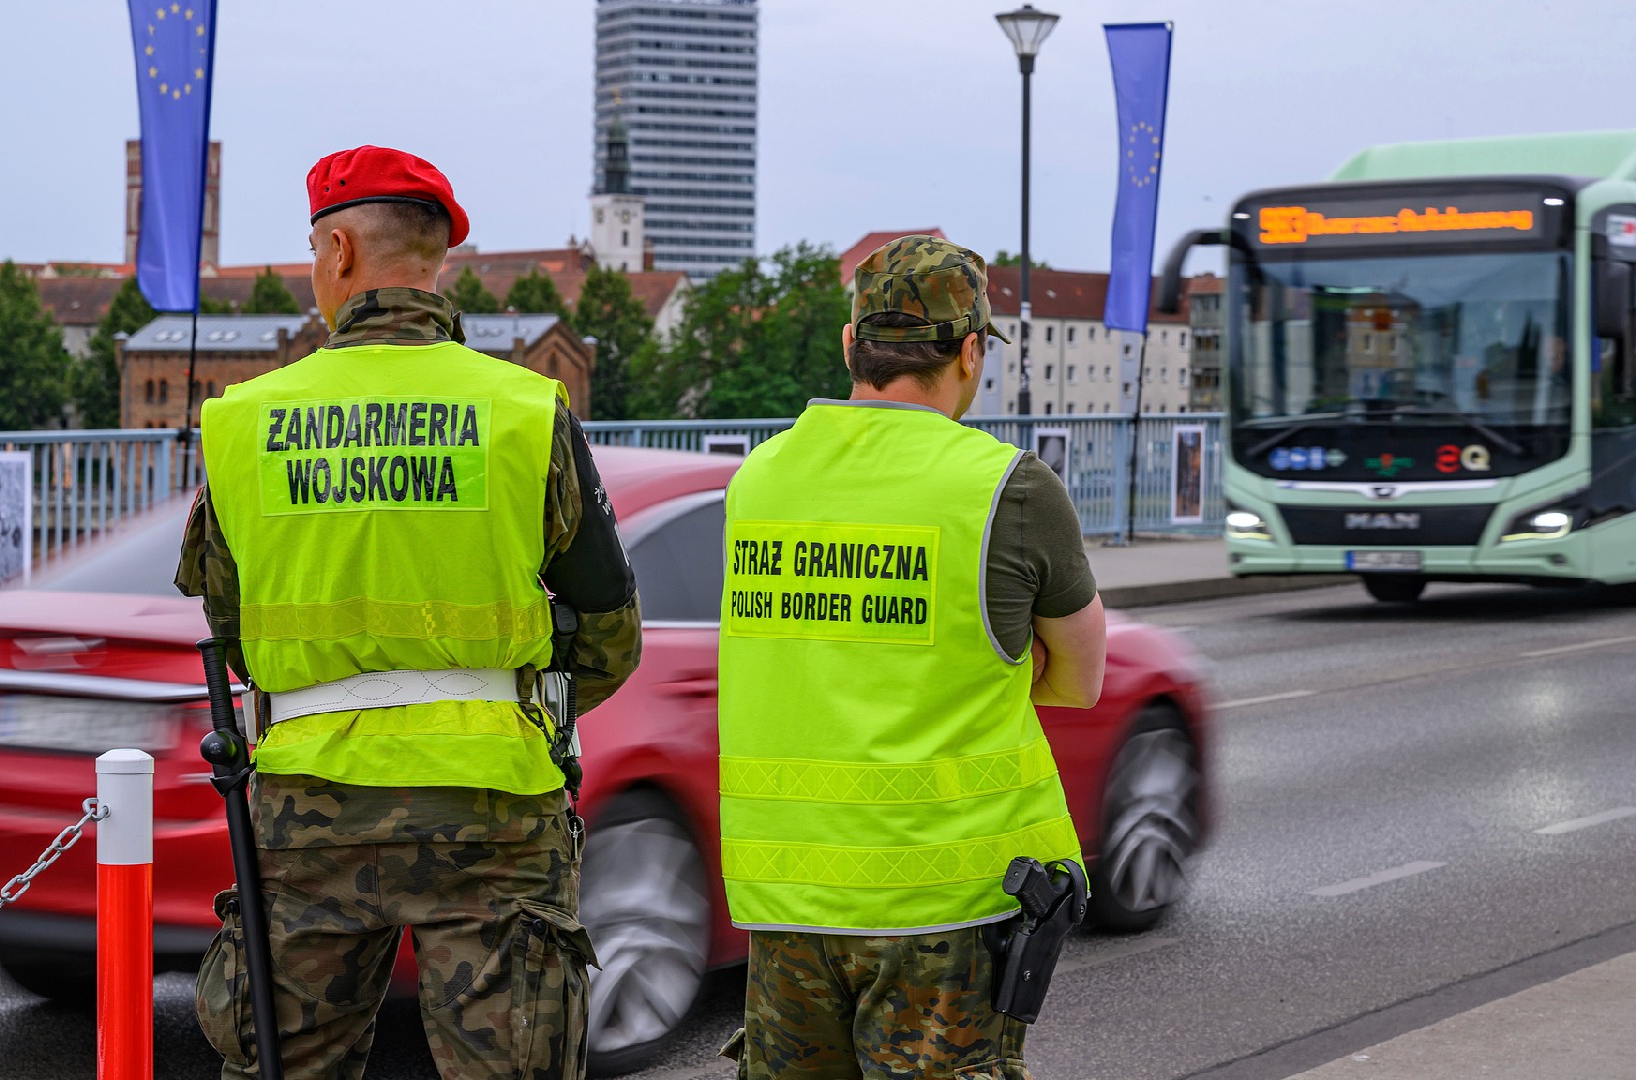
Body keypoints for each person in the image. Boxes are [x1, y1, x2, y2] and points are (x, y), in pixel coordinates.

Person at [177, 145, 641, 1080]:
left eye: (315, 252)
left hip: (308, 808)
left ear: (340, 252)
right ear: (438, 259)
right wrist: (515, 701)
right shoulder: (523, 410)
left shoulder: (245, 421)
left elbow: (234, 636)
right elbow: (610, 630)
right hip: (494, 806)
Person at [715, 235, 1108, 1078]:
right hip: (942, 912)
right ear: (969, 352)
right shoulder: (1008, 487)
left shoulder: (758, 479)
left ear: (850, 345)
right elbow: (1080, 680)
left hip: (785, 904)